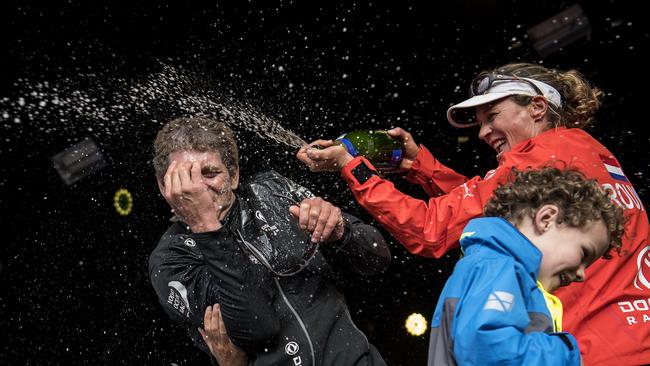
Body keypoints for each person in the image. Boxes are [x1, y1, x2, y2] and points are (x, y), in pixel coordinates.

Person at [297, 62, 649, 365]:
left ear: (538, 107)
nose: (483, 133)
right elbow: (493, 200)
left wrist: (353, 168)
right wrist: (420, 166)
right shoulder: (586, 148)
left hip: (591, 351)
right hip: (633, 336)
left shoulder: (534, 157)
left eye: (492, 116)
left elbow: (429, 229)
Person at [148, 116, 390, 365]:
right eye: (185, 178)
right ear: (163, 185)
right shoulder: (171, 258)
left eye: (210, 173)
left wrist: (341, 230)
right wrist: (205, 225)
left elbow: (377, 258)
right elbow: (257, 327)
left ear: (233, 176)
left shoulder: (271, 191)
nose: (198, 188)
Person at [429, 167, 625, 365]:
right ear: (546, 219)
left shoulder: (500, 270)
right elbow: (488, 351)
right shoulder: (497, 267)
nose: (582, 274)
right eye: (584, 253)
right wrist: (565, 352)